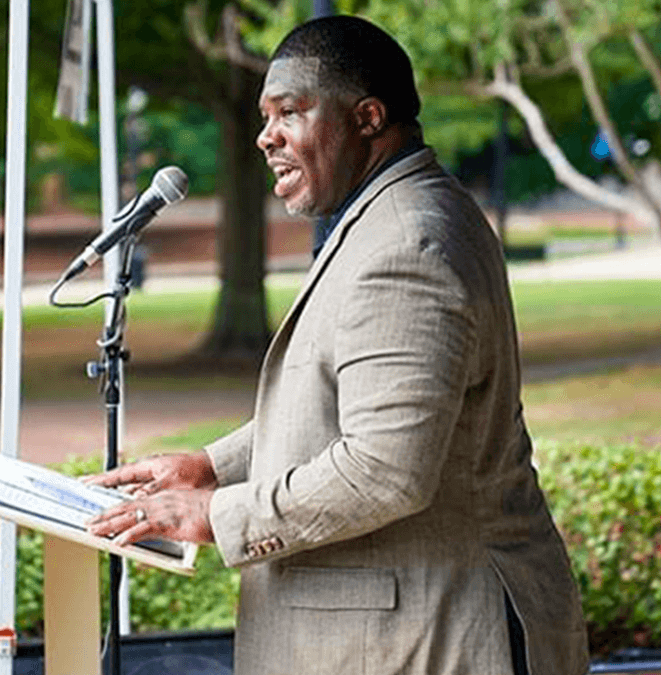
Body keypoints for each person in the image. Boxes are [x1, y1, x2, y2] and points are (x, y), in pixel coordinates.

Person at [85, 16, 589, 675]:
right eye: (264, 116)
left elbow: (385, 468)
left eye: (289, 112)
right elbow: (337, 397)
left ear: (367, 117)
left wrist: (218, 513)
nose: (265, 137)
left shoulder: (409, 242)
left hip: (437, 635)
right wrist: (213, 464)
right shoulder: (385, 217)